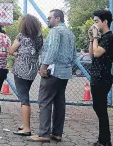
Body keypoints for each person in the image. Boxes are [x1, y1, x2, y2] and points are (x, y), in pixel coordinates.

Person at [29, 9, 77, 143]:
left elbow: (53, 49)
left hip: (52, 72)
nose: (47, 20)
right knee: (60, 102)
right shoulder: (70, 33)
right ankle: (57, 134)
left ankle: (44, 134)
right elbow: (74, 56)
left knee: (44, 101)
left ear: (58, 19)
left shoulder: (55, 31)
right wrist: (67, 67)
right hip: (65, 73)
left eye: (49, 18)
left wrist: (44, 67)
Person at [10, 14, 43, 136]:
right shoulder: (39, 38)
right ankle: (24, 124)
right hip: (33, 70)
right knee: (25, 95)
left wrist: (16, 54)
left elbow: (11, 50)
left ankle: (27, 128)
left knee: (24, 99)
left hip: (21, 69)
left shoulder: (21, 37)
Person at [88, 10, 113, 146]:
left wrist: (96, 38)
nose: (94, 24)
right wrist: (92, 38)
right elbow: (92, 54)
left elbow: (98, 53)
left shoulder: (109, 37)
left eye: (96, 21)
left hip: (102, 78)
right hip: (96, 76)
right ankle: (103, 140)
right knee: (98, 108)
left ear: (105, 22)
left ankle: (105, 141)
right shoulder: (101, 37)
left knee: (101, 109)